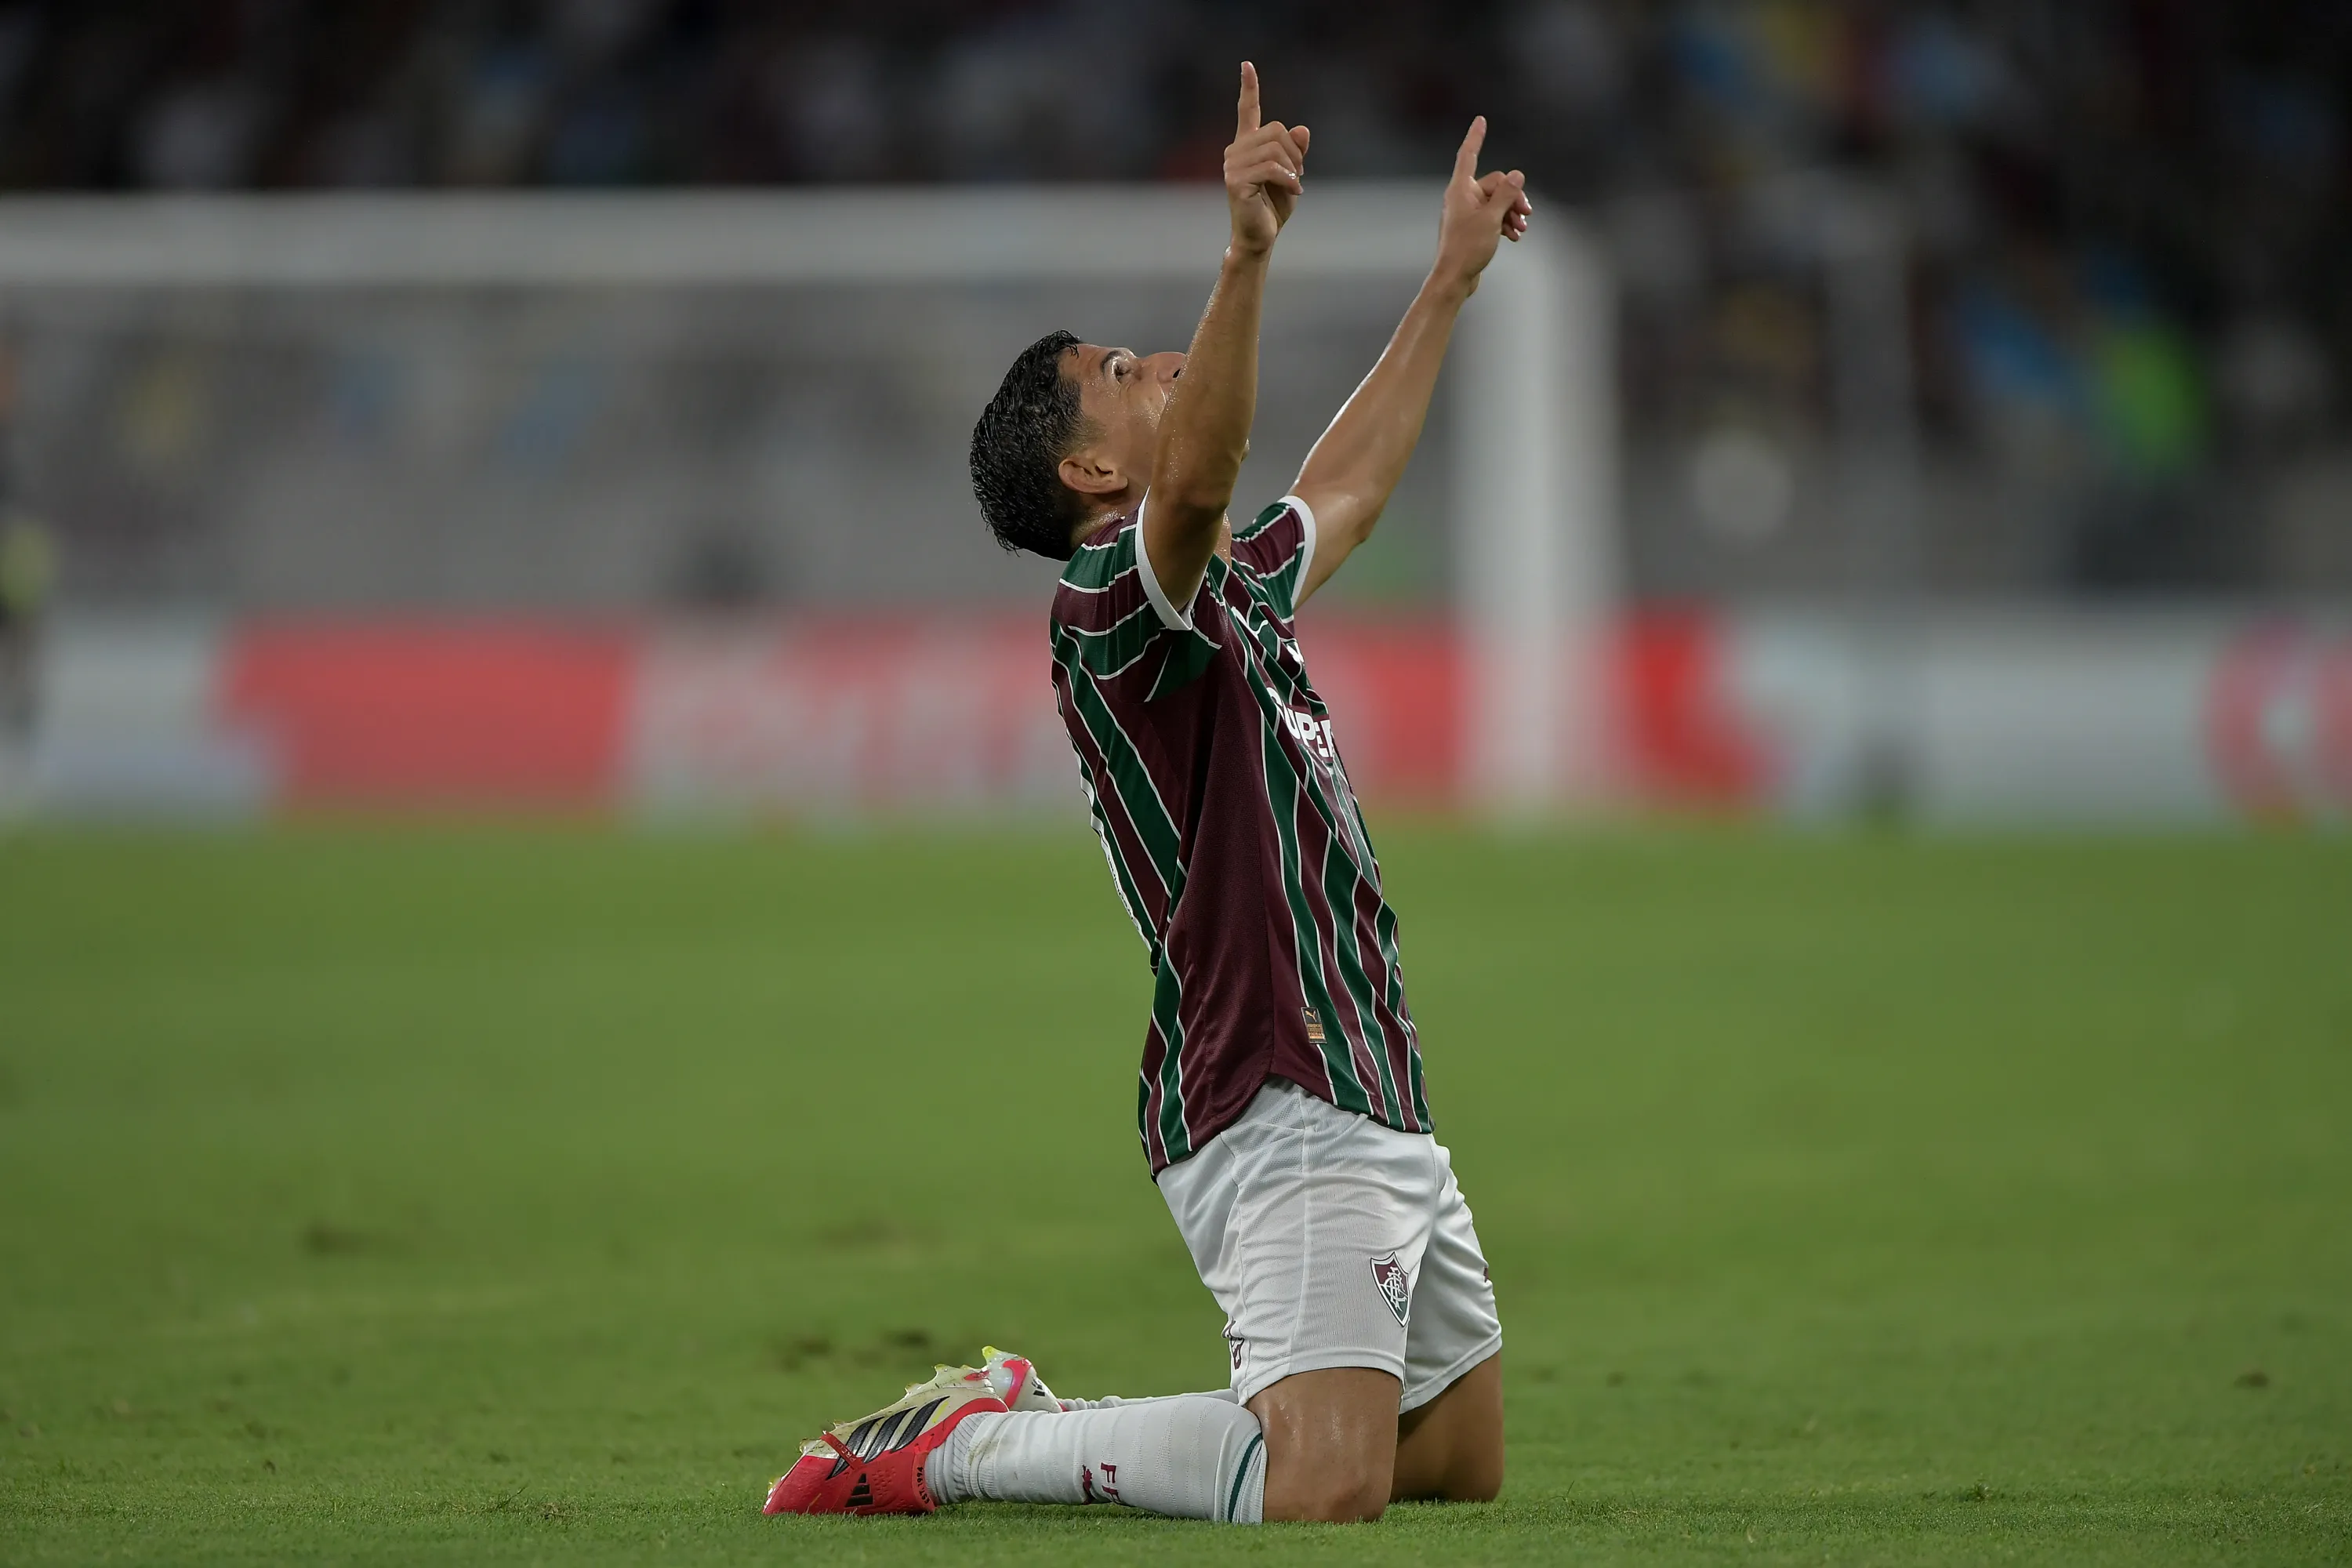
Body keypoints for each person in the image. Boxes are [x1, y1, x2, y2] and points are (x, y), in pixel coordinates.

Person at [765, 61, 1532, 1526]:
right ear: (1085, 467)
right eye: (1125, 375)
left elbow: (1345, 489)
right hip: (1272, 1082)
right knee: (1321, 1491)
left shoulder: (1223, 589)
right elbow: (1197, 486)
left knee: (1452, 1460)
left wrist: (1445, 286)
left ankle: (1030, 1433)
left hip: (1369, 1069)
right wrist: (1245, 255)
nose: (1159, 367)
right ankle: (977, 1442)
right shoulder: (1113, 598)